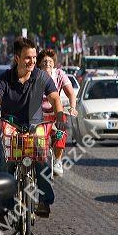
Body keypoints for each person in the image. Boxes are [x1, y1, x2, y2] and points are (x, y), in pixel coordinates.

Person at [0, 37, 65, 220]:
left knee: (43, 160)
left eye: (34, 57)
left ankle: (44, 201)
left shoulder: (41, 76)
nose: (33, 61)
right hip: (10, 129)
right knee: (6, 165)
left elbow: (55, 98)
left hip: (35, 129)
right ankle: (4, 207)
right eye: (28, 57)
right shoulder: (4, 79)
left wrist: (59, 115)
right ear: (16, 58)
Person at [37, 49, 78, 177]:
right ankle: (39, 163)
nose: (47, 63)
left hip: (56, 113)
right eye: (44, 61)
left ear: (54, 64)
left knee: (61, 132)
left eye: (50, 61)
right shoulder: (34, 75)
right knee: (37, 139)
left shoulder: (60, 74)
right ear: (39, 64)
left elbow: (71, 93)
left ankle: (58, 161)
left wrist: (72, 107)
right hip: (39, 115)